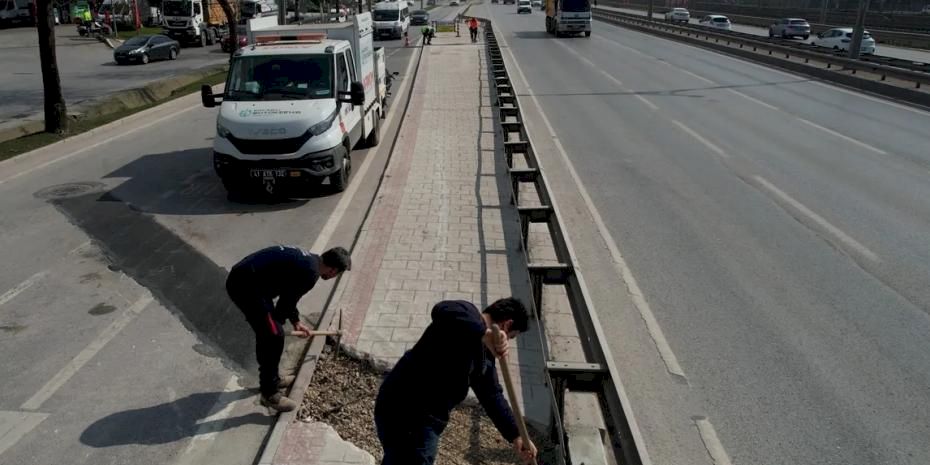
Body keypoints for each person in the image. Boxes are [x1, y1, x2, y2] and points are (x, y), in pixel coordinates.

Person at [374, 298, 538, 465]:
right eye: (511, 337)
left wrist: (516, 435)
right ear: (506, 325)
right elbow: (442, 309)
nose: (506, 342)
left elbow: (492, 396)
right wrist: (485, 334)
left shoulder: (484, 358)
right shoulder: (465, 314)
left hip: (421, 417)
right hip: (407, 411)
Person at [226, 245, 351, 412]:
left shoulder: (310, 261)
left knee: (271, 334)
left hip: (254, 283)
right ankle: (269, 393)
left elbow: (289, 295)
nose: (334, 276)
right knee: (273, 337)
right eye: (338, 274)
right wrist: (275, 328)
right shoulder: (311, 273)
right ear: (333, 270)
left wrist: (296, 321)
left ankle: (273, 379)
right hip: (245, 286)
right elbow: (285, 304)